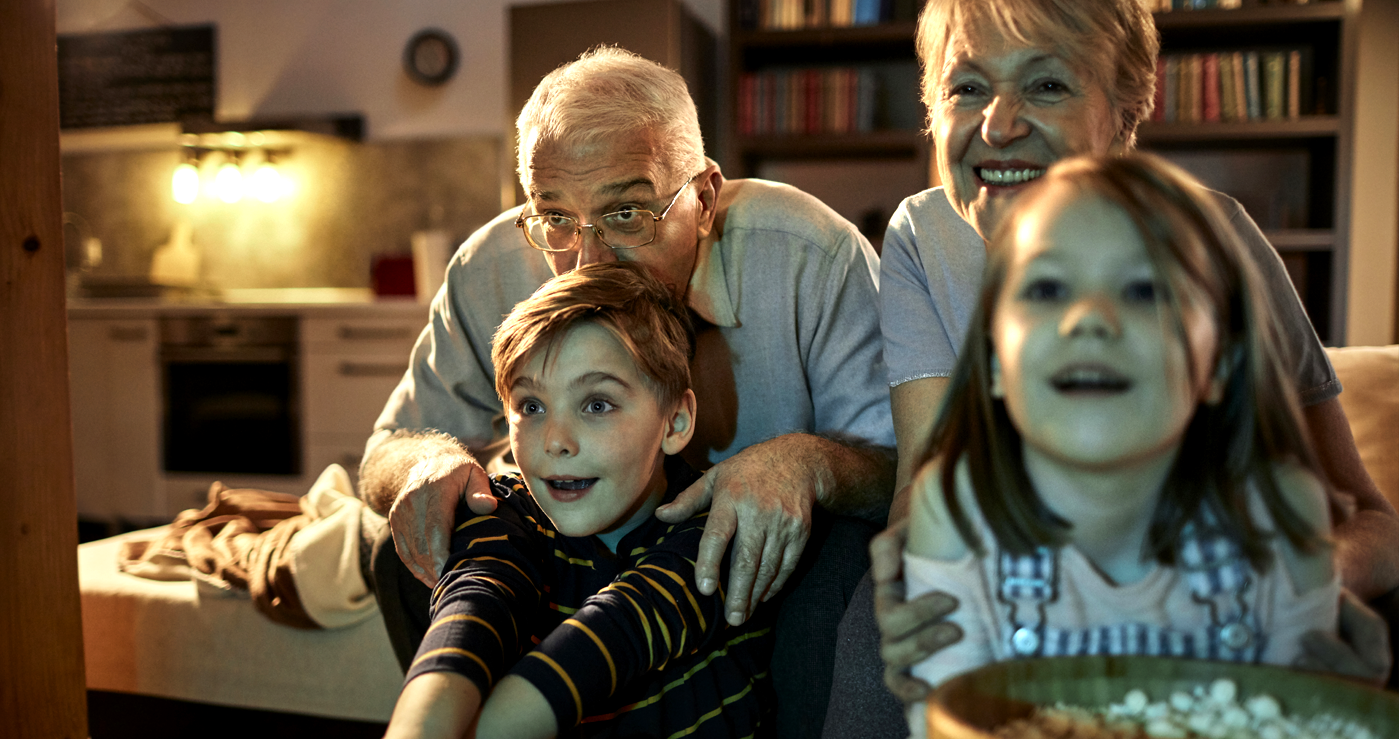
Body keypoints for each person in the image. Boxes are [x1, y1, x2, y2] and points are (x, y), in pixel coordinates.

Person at [823, 0, 1396, 734]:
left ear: (1127, 107)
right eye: (966, 87)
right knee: (877, 626)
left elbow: (1372, 522)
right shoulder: (924, 232)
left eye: (1046, 85)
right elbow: (927, 485)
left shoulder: (1211, 236)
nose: (997, 125)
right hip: (1019, 608)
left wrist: (1288, 594)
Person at [361, 46, 896, 736]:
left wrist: (807, 462)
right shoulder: (489, 266)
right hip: (564, 540)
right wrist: (424, 464)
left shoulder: (808, 254)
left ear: (702, 198)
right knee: (409, 533)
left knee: (844, 550)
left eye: (625, 215)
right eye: (555, 217)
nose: (586, 263)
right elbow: (387, 451)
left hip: (735, 548)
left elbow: (906, 471)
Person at [899, 153, 1340, 736]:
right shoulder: (956, 512)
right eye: (1049, 287)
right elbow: (947, 722)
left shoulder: (1280, 518)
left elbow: (1299, 721)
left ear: (1220, 363)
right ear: (993, 361)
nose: (1089, 318)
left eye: (1144, 290)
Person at [383, 262, 779, 738]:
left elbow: (609, 640)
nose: (556, 441)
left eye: (597, 404)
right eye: (532, 407)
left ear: (675, 422)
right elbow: (472, 609)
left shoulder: (717, 523)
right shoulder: (500, 512)